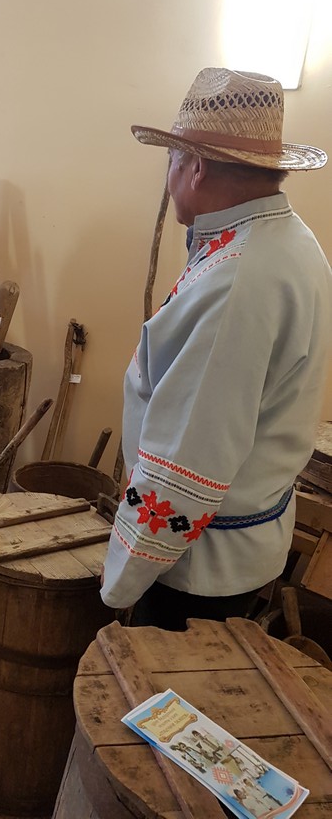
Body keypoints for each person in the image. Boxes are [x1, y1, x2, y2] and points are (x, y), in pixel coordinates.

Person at [100, 68, 331, 630]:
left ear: (196, 167)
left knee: (158, 680)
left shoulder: (236, 282)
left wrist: (120, 582)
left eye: (172, 160)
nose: (169, 176)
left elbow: (190, 452)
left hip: (194, 572)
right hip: (240, 551)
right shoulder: (291, 241)